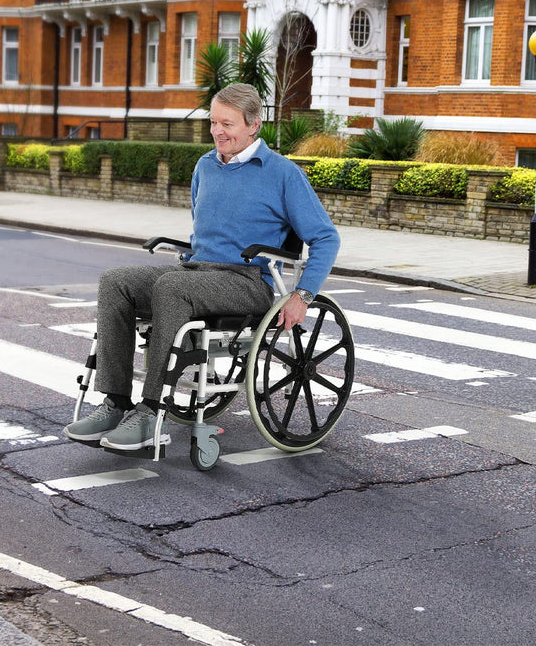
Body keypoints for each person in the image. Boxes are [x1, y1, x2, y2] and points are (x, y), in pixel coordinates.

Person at [64, 83, 340, 451]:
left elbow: (326, 238)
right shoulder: (205, 165)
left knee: (172, 288)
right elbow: (201, 227)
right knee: (116, 281)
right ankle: (115, 402)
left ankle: (150, 411)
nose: (217, 131)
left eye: (227, 124)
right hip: (197, 272)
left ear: (253, 124)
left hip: (245, 282)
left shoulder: (282, 174)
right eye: (213, 122)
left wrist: (302, 295)